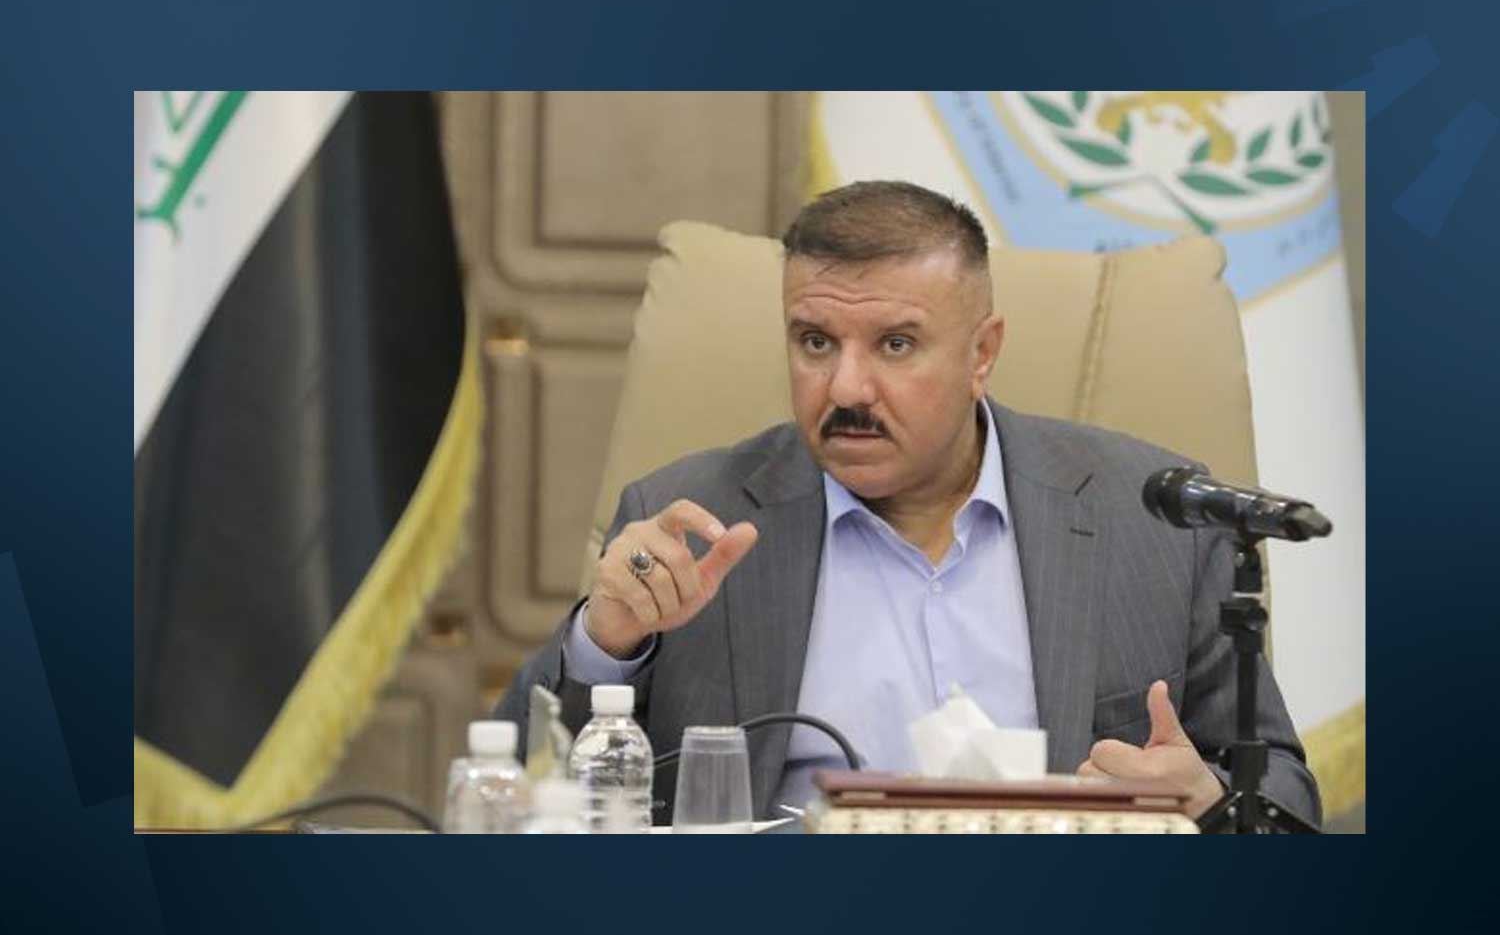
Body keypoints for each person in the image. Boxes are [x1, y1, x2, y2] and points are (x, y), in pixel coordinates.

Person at [495, 180, 1321, 827]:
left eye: (895, 344)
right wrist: (606, 641)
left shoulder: (1155, 522)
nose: (846, 388)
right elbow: (517, 789)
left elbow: (1284, 792)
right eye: (815, 341)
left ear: (982, 353)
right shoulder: (691, 520)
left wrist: (1207, 797)